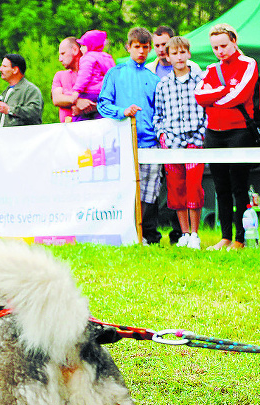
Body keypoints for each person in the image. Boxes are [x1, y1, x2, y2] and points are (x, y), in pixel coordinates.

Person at [195, 23, 258, 251]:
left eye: (223, 45)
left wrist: (215, 101)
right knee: (220, 185)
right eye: (215, 47)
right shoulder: (211, 69)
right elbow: (199, 95)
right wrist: (222, 93)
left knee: (239, 186)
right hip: (214, 133)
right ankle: (225, 237)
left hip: (239, 131)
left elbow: (240, 96)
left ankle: (240, 238)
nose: (219, 51)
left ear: (234, 41)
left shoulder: (248, 63)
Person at [98, 27, 163, 245]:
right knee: (125, 189)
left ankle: (144, 234)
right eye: (137, 47)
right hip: (123, 142)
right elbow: (103, 104)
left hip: (150, 143)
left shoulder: (153, 79)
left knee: (150, 191)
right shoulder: (115, 73)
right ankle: (125, 233)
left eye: (146, 48)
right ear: (129, 47)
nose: (142, 52)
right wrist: (122, 112)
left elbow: (159, 112)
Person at [153, 37, 207, 249]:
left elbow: (207, 110)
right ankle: (184, 233)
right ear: (168, 56)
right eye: (174, 53)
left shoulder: (200, 80)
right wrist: (163, 136)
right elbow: (158, 115)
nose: (179, 57)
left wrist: (201, 134)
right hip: (172, 143)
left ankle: (195, 233)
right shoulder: (163, 85)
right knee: (176, 189)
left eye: (183, 52)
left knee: (194, 187)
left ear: (189, 54)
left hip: (195, 140)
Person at [0, 53, 43, 127]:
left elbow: (35, 113)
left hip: (23, 138)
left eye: (4, 66)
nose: (0, 69)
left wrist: (9, 109)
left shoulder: (30, 90)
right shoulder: (6, 92)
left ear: (15, 70)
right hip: (4, 137)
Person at [69, 30, 115, 114]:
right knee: (100, 116)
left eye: (83, 45)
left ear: (91, 45)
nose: (81, 48)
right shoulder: (107, 58)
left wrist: (76, 91)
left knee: (78, 116)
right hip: (103, 93)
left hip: (89, 92)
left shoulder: (87, 58)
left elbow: (84, 76)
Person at [52, 37, 96, 123]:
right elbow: (57, 99)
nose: (60, 59)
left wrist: (90, 108)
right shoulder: (60, 75)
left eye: (63, 53)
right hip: (67, 132)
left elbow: (106, 100)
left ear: (75, 50)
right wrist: (77, 101)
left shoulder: (94, 74)